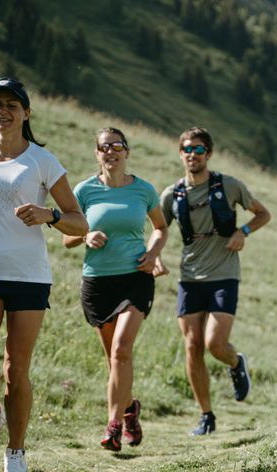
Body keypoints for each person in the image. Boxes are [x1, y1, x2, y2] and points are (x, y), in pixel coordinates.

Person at [0, 77, 88, 472]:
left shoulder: (42, 160)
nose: (3, 110)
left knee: (15, 368)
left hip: (28, 276)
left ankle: (17, 452)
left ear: (26, 113)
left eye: (12, 104)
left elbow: (80, 222)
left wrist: (50, 216)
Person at [158, 127, 271, 436]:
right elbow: (160, 228)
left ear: (208, 154)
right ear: (180, 154)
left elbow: (263, 214)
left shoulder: (229, 185)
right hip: (189, 277)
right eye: (187, 150)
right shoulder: (172, 194)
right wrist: (155, 255)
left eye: (198, 150)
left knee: (214, 344)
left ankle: (236, 363)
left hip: (224, 274)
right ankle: (206, 415)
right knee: (192, 346)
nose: (192, 155)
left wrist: (242, 232)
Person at [63, 127, 168, 452]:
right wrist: (84, 236)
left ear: (127, 152)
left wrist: (152, 255)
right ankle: (129, 409)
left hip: (135, 278)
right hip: (98, 282)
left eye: (117, 146)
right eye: (104, 147)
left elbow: (161, 228)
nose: (111, 152)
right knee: (114, 360)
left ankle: (113, 425)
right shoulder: (84, 191)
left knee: (122, 350)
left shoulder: (144, 190)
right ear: (97, 154)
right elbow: (67, 237)